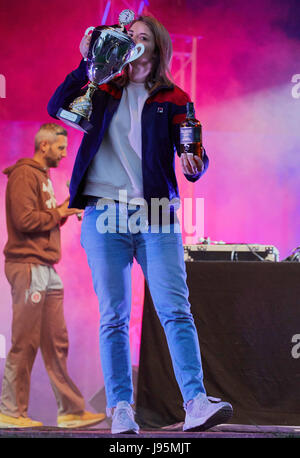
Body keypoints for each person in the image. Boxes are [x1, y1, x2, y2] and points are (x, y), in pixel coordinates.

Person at [47, 16, 233, 434]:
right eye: (129, 37)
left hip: (156, 214)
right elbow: (56, 106)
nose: (134, 41)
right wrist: (85, 65)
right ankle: (121, 409)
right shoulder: (103, 88)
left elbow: (195, 151)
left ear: (157, 48)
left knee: (175, 309)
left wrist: (195, 164)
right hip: (104, 213)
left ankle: (195, 402)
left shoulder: (174, 96)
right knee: (113, 315)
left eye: (142, 37)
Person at [0, 123, 105, 429]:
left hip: (46, 268)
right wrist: (61, 212)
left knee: (56, 341)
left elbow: (42, 220)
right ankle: (9, 411)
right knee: (25, 341)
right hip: (29, 266)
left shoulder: (42, 177)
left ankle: (70, 410)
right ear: (43, 146)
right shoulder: (24, 174)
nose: (63, 153)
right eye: (60, 148)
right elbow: (25, 220)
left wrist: (63, 211)